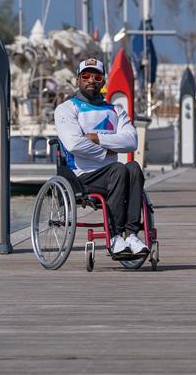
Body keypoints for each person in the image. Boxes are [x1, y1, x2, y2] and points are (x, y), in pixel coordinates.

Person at [54, 58, 147, 257]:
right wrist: (108, 149)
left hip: (114, 175)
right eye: (86, 76)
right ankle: (114, 237)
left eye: (97, 77)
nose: (91, 80)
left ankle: (131, 235)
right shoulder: (67, 109)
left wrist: (97, 138)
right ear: (78, 80)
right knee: (120, 169)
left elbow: (131, 141)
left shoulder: (116, 110)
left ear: (103, 82)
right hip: (82, 176)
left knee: (133, 167)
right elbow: (74, 144)